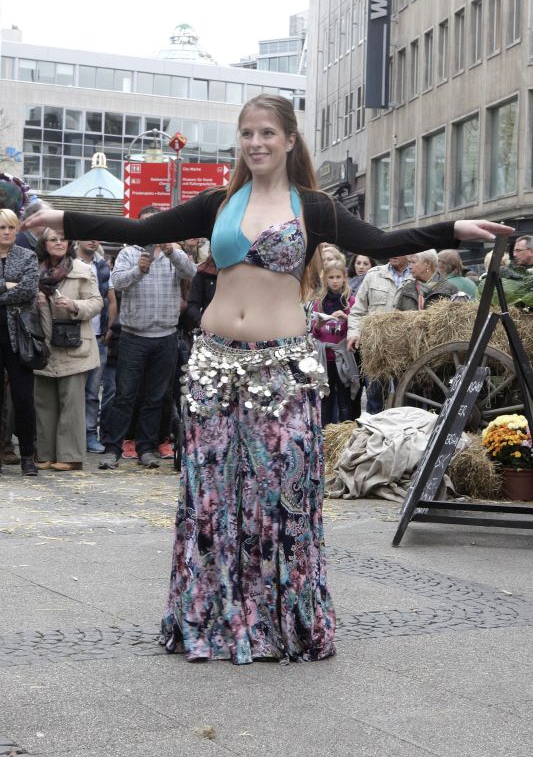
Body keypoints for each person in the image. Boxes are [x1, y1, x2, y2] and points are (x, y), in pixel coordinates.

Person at [21, 93, 513, 664]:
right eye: (247, 133)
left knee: (279, 495)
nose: (256, 143)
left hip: (281, 370)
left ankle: (278, 622)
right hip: (212, 366)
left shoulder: (314, 207)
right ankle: (215, 617)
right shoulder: (218, 203)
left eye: (267, 133)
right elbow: (139, 229)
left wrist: (454, 229)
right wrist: (64, 218)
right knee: (210, 496)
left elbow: (380, 243)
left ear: (289, 140)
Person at [98, 207, 196, 470]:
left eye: (156, 223)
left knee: (157, 396)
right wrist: (138, 271)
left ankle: (146, 449)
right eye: (146, 224)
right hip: (134, 336)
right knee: (124, 395)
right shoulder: (128, 253)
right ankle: (113, 449)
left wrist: (172, 251)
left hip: (166, 336)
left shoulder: (173, 252)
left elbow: (191, 272)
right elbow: (117, 283)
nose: (151, 228)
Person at [34, 230, 103, 471]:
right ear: (44, 244)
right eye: (53, 239)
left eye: (62, 239)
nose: (58, 243)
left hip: (74, 344)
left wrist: (74, 305)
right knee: (44, 403)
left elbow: (96, 302)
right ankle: (45, 454)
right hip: (42, 343)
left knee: (71, 403)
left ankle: (70, 456)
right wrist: (35, 302)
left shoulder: (82, 269)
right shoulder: (35, 270)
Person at [0, 209, 39, 476]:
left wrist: (8, 289)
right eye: (2, 227)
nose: (6, 232)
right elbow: (17, 290)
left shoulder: (27, 256)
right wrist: (8, 286)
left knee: (24, 398)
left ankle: (27, 455)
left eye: (11, 227)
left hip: (19, 337)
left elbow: (29, 290)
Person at [347, 255, 411, 414]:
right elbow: (358, 310)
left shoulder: (416, 274)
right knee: (375, 398)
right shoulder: (374, 274)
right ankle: (374, 428)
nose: (394, 254)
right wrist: (354, 333)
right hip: (375, 348)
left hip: (405, 349)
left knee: (404, 398)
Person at [76, 239, 117, 453]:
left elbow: (111, 300)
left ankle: (90, 434)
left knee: (92, 393)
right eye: (88, 235)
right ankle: (72, 436)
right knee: (71, 392)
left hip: (98, 337)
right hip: (73, 336)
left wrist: (110, 327)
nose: (93, 240)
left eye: (96, 236)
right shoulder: (69, 261)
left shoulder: (102, 265)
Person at [312, 259, 358, 425]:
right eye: (331, 277)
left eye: (338, 277)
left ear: (344, 278)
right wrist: (319, 324)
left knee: (344, 398)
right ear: (325, 279)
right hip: (325, 358)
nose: (335, 281)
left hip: (343, 356)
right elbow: (314, 332)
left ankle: (344, 431)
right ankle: (325, 432)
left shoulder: (350, 301)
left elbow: (356, 326)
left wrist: (346, 319)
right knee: (326, 397)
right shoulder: (319, 302)